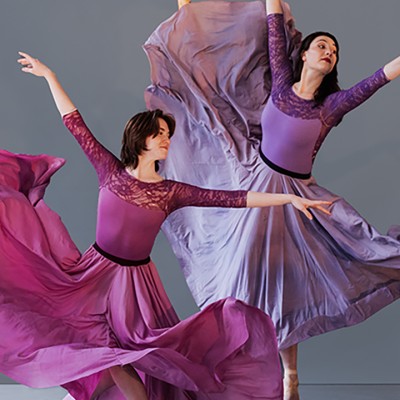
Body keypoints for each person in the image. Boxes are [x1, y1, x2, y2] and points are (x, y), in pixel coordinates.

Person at [0, 51, 329, 400]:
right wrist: (50, 75)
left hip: (137, 287)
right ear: (140, 138)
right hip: (95, 275)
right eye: (160, 134)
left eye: (167, 135)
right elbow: (74, 122)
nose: (166, 140)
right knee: (107, 351)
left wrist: (289, 198)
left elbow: (234, 197)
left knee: (137, 353)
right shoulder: (109, 172)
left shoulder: (171, 192)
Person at [144, 1, 400, 399]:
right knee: (234, 280)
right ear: (305, 55)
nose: (328, 51)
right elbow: (273, 24)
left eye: (333, 50)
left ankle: (289, 376)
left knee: (285, 289)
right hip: (254, 183)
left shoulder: (329, 107)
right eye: (322, 45)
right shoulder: (280, 84)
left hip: (296, 200)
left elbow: (380, 77)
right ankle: (218, 369)